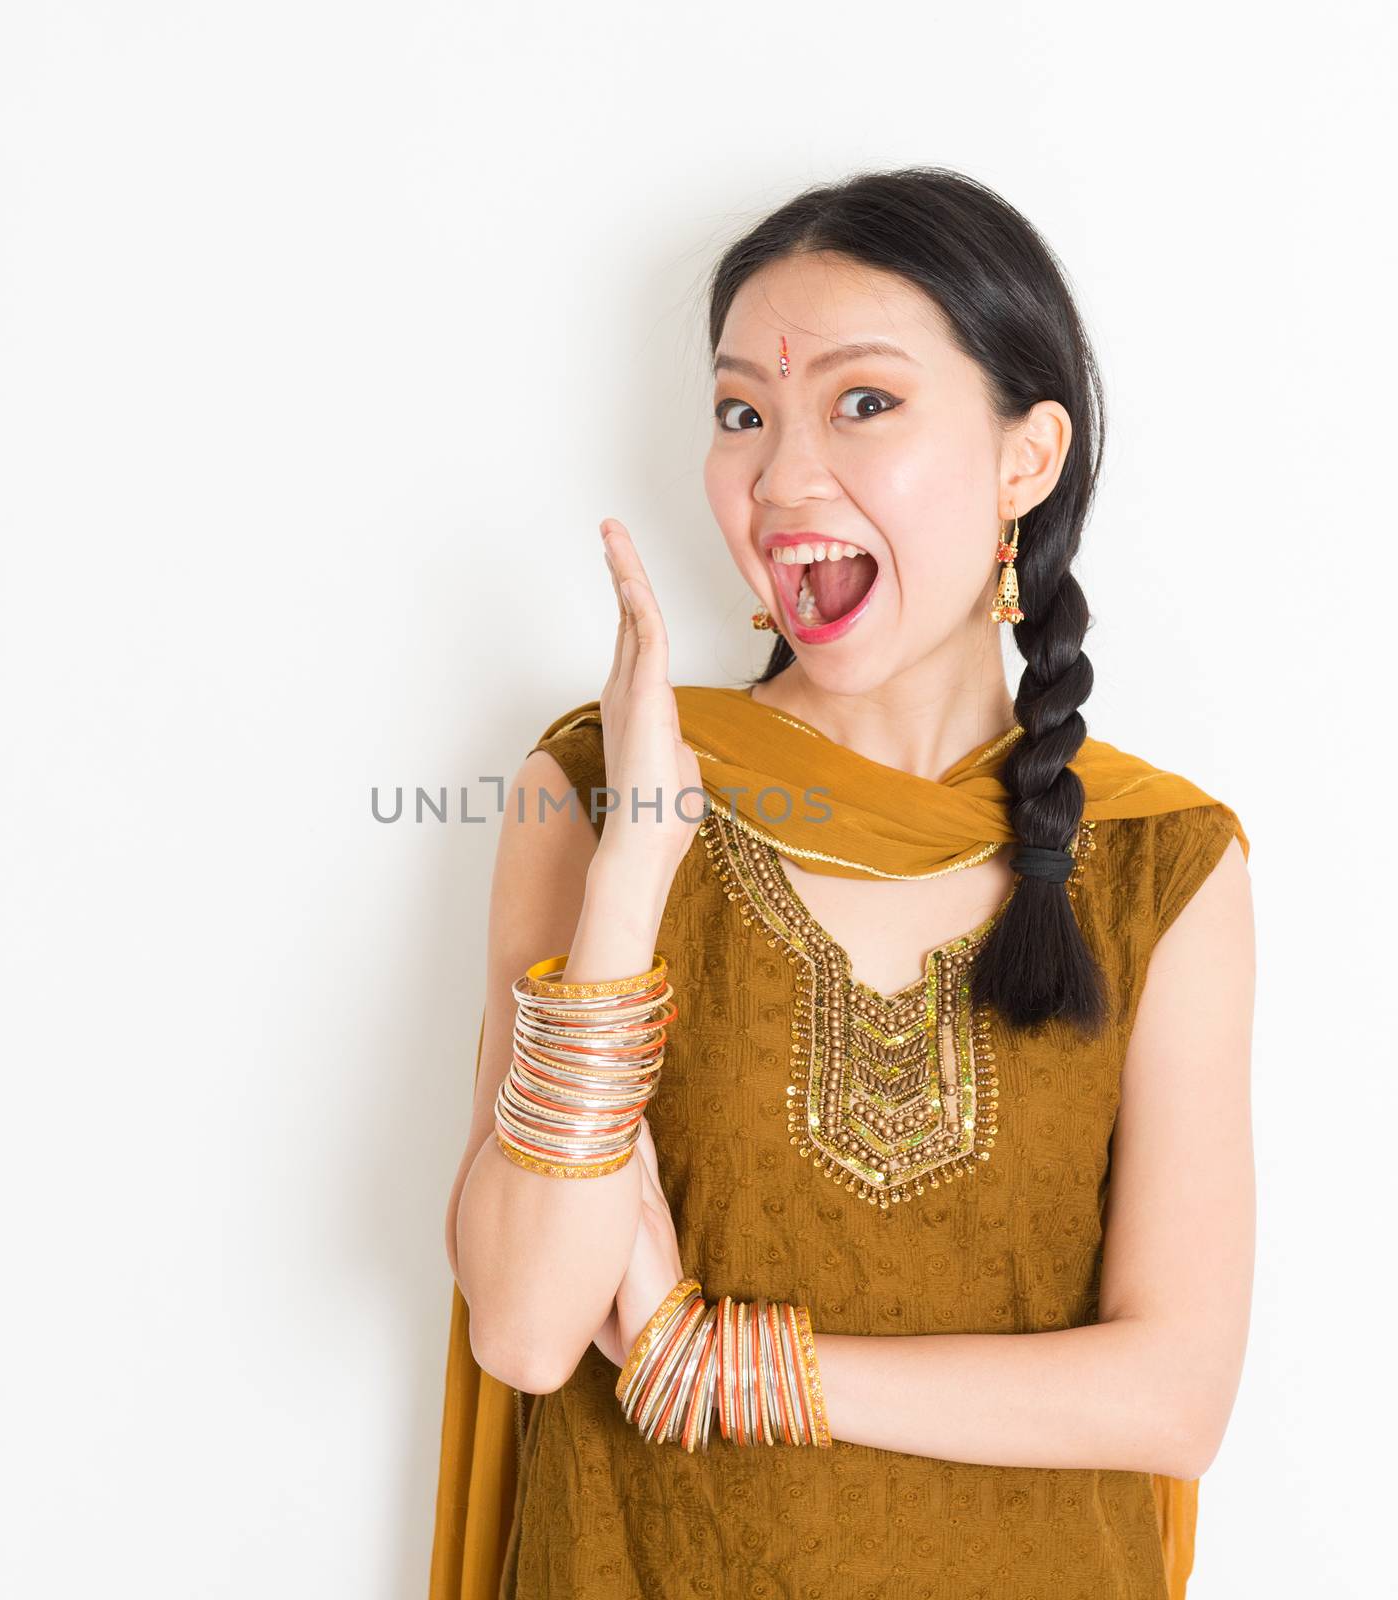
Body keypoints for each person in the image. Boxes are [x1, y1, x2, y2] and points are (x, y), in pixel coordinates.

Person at [433, 166, 1255, 1600]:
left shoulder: (1159, 859)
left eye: (862, 404)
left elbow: (1173, 1395)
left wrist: (731, 1366)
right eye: (744, 411)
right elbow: (522, 1326)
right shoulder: (602, 788)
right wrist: (633, 875)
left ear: (1027, 457)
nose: (781, 475)